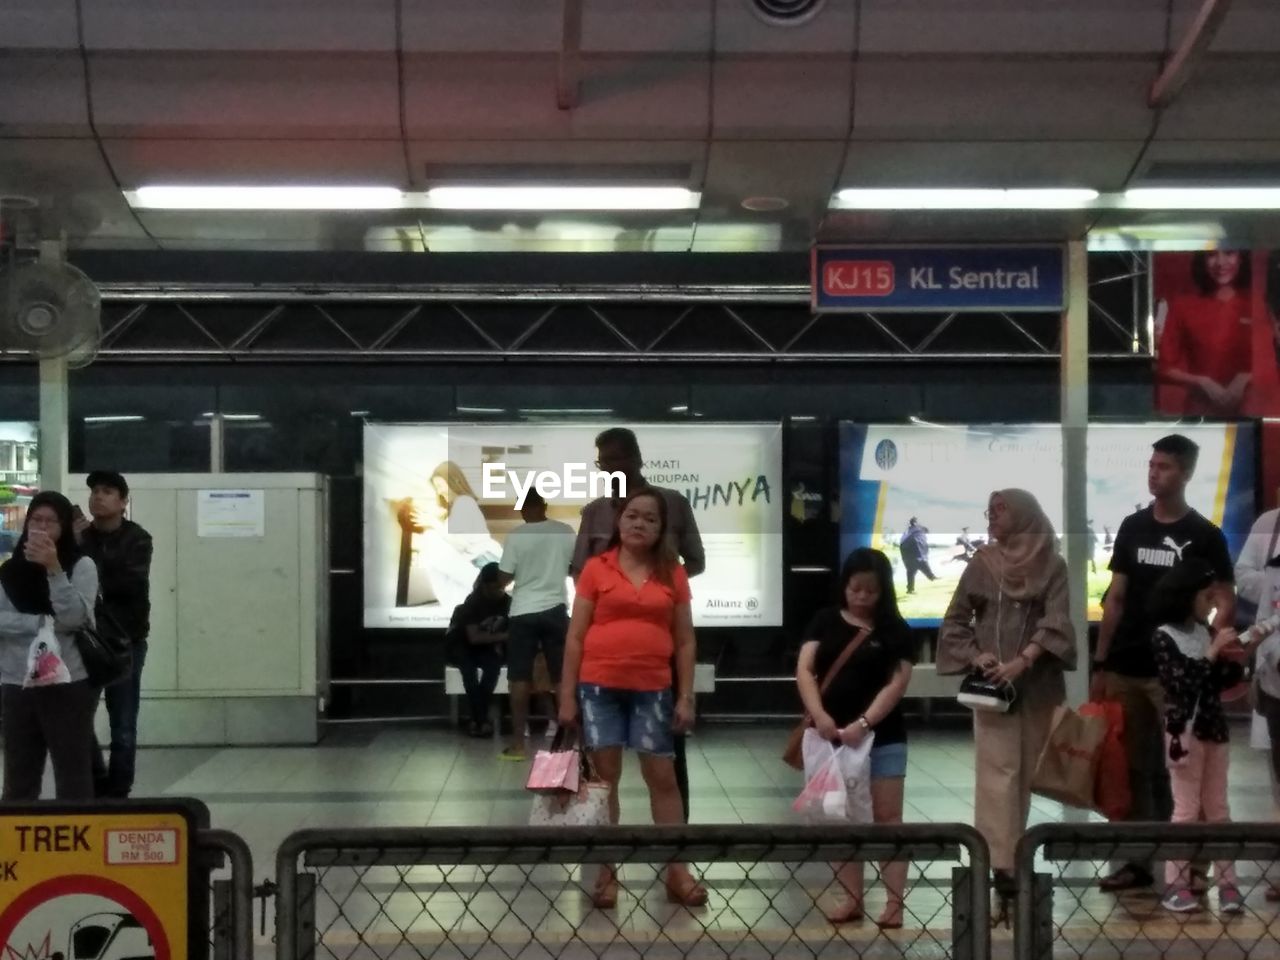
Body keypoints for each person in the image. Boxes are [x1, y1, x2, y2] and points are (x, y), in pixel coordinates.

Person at [1092, 435, 1235, 893]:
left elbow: (1225, 597)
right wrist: (1101, 661)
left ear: (1187, 473)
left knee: (1184, 769)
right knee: (1134, 769)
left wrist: (1207, 643)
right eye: (1152, 465)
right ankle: (1138, 861)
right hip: (1128, 664)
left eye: (1166, 467)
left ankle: (1191, 867)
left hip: (1178, 676)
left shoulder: (1206, 535)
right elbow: (1116, 597)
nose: (1155, 473)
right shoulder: (1133, 526)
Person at [558, 488, 705, 908]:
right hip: (598, 688)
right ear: (619, 523)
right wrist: (566, 694)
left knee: (663, 779)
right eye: (633, 516)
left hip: (654, 690)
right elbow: (575, 637)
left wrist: (686, 695)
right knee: (605, 783)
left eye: (651, 519)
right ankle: (606, 872)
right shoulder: (595, 569)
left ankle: (677, 871)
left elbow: (685, 641)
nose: (640, 524)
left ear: (662, 529)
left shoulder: (672, 573)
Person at [937, 489, 1076, 916]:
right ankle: (1004, 877)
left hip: (1036, 689)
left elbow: (1057, 621)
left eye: (1000, 512)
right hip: (993, 691)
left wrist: (1023, 661)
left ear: (1024, 516)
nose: (992, 519)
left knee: (1028, 777)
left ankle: (1016, 865)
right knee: (997, 782)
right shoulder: (984, 564)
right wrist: (976, 656)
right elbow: (956, 620)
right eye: (990, 512)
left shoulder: (1053, 564)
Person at [571, 427, 704, 822]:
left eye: (614, 459)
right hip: (603, 657)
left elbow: (695, 559)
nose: (609, 467)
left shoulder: (673, 504)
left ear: (635, 458)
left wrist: (653, 584)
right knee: (602, 769)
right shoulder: (594, 512)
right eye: (602, 462)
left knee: (665, 764)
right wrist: (609, 590)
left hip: (657, 650)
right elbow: (580, 572)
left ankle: (676, 855)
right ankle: (606, 866)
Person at [795, 548, 915, 928]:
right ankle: (851, 897)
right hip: (830, 740)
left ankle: (894, 903)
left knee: (887, 818)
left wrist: (864, 723)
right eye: (855, 589)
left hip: (884, 738)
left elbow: (897, 683)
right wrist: (821, 716)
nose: (861, 597)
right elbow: (805, 669)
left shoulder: (896, 631)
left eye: (870, 591)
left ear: (884, 593)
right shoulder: (824, 621)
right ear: (844, 586)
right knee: (839, 816)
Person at [1150, 559, 1258, 914]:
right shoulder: (1164, 635)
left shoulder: (1202, 631)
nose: (1212, 604)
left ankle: (1228, 885)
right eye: (1206, 596)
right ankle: (1176, 885)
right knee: (1185, 809)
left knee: (1218, 809)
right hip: (1184, 731)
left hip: (1214, 728)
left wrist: (1241, 655)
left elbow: (1219, 682)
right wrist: (1211, 654)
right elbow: (1180, 683)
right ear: (1186, 596)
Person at [0, 491, 99, 800]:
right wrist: (41, 624)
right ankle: (15, 845)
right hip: (16, 683)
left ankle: (79, 841)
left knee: (73, 773)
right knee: (19, 776)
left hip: (67, 683)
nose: (41, 528)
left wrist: (55, 570)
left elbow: (73, 619)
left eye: (51, 522)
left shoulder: (81, 566)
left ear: (64, 527)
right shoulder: (8, 571)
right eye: (35, 521)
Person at [76, 471, 153, 799]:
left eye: (107, 492)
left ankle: (119, 790)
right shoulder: (80, 537)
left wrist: (86, 558)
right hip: (85, 639)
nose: (97, 497)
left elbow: (127, 584)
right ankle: (96, 780)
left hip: (126, 642)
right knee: (77, 717)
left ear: (123, 502)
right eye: (94, 491)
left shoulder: (137, 538)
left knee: (122, 723)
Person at [496, 490, 575, 760]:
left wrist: (499, 581)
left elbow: (504, 577)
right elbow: (575, 569)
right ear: (544, 505)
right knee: (562, 678)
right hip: (555, 608)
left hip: (523, 612)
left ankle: (519, 746)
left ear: (521, 509)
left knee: (519, 678)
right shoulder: (565, 531)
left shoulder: (517, 536)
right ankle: (568, 743)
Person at [1156, 250, 1253, 416]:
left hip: (1255, 411)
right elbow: (1165, 368)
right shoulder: (1184, 306)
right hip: (1201, 413)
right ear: (1202, 261)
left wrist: (1248, 377)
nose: (1221, 263)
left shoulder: (1258, 305)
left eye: (1229, 253)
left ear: (1241, 258)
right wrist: (1202, 382)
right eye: (1211, 255)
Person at [449, 563, 510, 738]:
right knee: (468, 674)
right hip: (462, 647)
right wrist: (505, 637)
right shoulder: (472, 603)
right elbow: (473, 637)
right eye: (495, 586)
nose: (499, 590)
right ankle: (480, 720)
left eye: (501, 586)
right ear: (485, 584)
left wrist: (500, 643)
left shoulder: (507, 602)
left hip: (487, 647)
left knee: (493, 669)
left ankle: (477, 720)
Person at [898, 518, 936, 594]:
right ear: (915, 523)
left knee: (912, 571)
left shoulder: (907, 532)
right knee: (920, 566)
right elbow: (920, 543)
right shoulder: (917, 531)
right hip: (914, 554)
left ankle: (910, 589)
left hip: (907, 555)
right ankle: (931, 577)